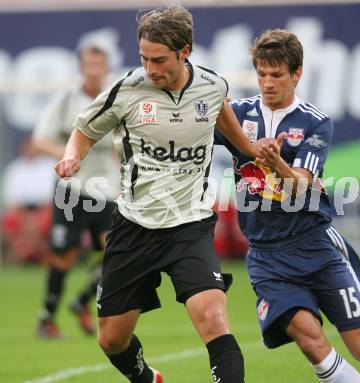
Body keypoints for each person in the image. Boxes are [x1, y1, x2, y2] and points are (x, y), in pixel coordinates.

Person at [54, 6, 264, 383]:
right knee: (112, 341)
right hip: (135, 225)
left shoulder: (212, 87)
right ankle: (148, 379)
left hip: (190, 224)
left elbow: (231, 129)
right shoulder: (128, 90)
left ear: (185, 51)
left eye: (159, 60)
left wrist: (255, 151)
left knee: (214, 321)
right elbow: (84, 130)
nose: (151, 68)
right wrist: (72, 157)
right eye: (144, 59)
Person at [215, 29, 360, 383]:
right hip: (265, 255)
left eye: (276, 75)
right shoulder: (238, 115)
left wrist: (277, 163)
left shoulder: (314, 121)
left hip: (313, 244)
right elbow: (195, 122)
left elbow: (304, 184)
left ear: (297, 74)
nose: (267, 82)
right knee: (308, 337)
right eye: (261, 73)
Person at [32, 42, 119, 338]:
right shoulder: (66, 101)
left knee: (116, 251)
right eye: (88, 65)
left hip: (106, 188)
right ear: (81, 68)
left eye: (99, 65)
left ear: (106, 68)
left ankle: (82, 301)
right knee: (65, 256)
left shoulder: (115, 99)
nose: (94, 71)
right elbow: (39, 140)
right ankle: (47, 317)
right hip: (71, 188)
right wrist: (69, 152)